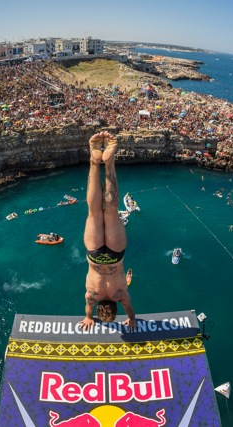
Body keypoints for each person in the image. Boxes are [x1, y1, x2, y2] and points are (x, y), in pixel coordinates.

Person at [79, 131, 136, 332]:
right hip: (94, 256)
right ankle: (95, 161)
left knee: (111, 211)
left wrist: (132, 320)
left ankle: (109, 163)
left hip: (115, 255)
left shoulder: (121, 294)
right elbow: (88, 308)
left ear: (114, 306)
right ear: (99, 308)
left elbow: (129, 309)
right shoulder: (91, 295)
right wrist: (88, 318)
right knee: (94, 212)